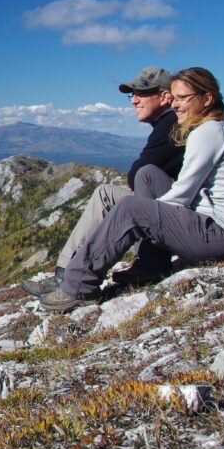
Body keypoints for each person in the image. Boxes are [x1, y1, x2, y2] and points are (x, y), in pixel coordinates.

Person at [38, 66, 224, 312]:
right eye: (176, 98)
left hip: (223, 237)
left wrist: (139, 213)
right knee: (148, 175)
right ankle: (150, 266)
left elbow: (182, 194)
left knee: (130, 208)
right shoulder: (213, 128)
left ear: (207, 99)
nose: (176, 105)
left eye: (184, 98)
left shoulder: (208, 132)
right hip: (221, 229)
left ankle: (78, 287)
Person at [19, 66, 184, 296]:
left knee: (122, 189)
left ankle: (145, 265)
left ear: (165, 96)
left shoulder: (171, 124)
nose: (134, 101)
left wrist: (137, 175)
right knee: (106, 192)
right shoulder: (167, 123)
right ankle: (65, 273)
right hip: (174, 206)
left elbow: (139, 173)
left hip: (183, 215)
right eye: (132, 94)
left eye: (141, 93)